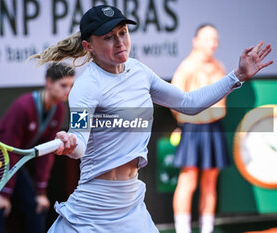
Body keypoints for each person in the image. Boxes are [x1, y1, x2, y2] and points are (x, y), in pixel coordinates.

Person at [27, 5, 273, 233]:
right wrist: (70, 143)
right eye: (108, 37)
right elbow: (79, 143)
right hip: (94, 206)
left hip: (132, 201)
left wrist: (237, 75)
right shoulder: (86, 87)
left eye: (122, 33)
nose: (120, 42)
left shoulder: (140, 72)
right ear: (88, 45)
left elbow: (188, 103)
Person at [0, 63, 75, 233]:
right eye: (63, 85)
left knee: (36, 206)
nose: (67, 91)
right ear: (48, 83)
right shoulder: (23, 106)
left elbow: (46, 154)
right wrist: (4, 194)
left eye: (70, 86)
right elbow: (9, 150)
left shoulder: (59, 110)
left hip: (10, 160)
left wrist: (40, 192)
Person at [171, 24, 228, 233]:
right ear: (196, 41)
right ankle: (182, 229)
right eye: (208, 39)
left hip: (214, 129)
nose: (213, 44)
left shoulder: (219, 66)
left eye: (215, 40)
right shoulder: (186, 67)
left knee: (210, 181)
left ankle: (207, 229)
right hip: (192, 130)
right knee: (188, 180)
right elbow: (174, 99)